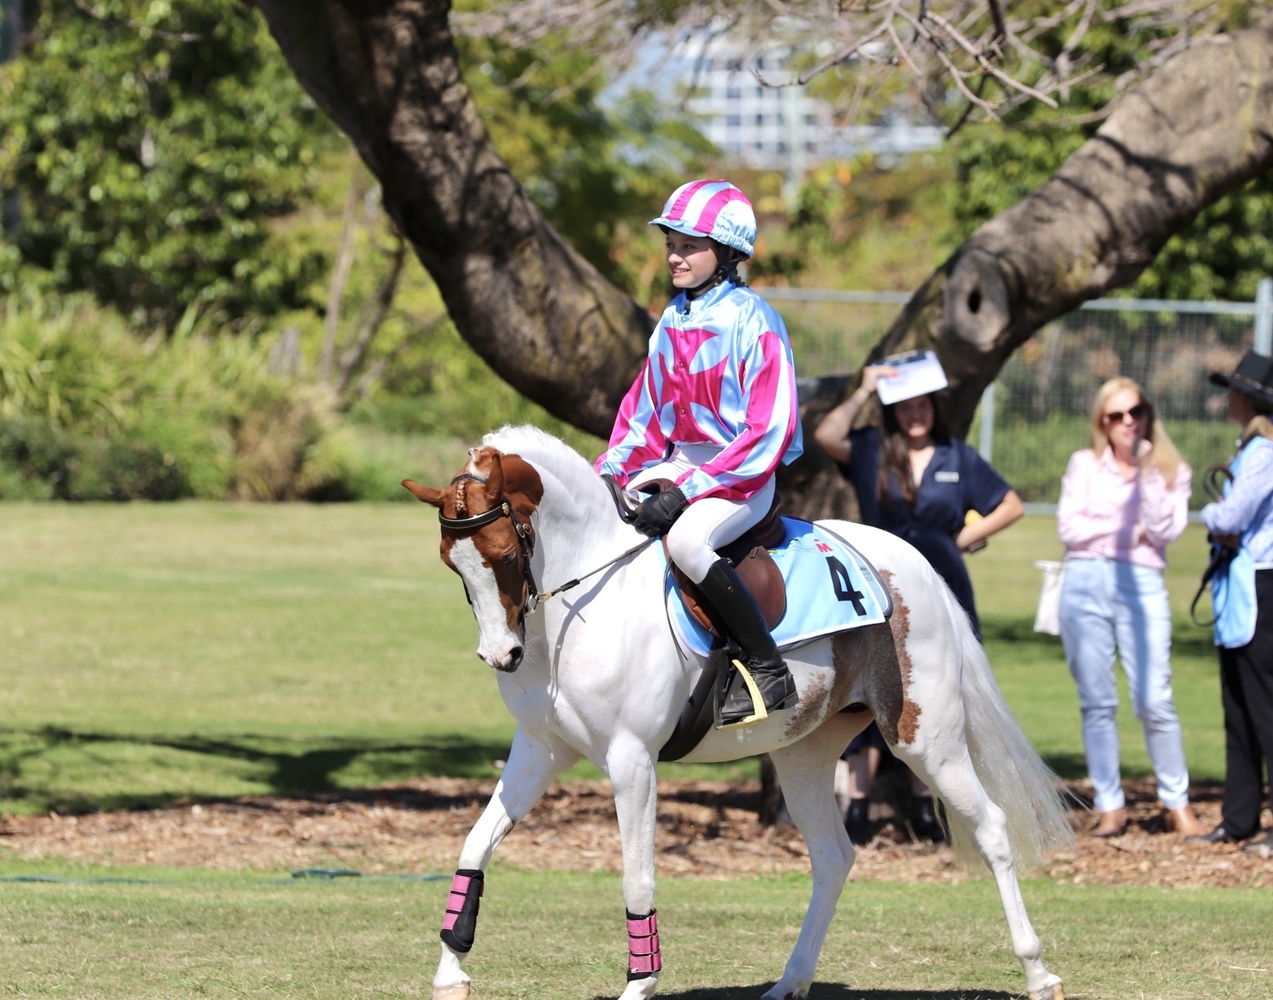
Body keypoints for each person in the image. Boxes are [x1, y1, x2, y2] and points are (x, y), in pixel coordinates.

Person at [594, 178, 804, 730]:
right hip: (681, 463)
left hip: (743, 477)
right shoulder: (672, 318)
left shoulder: (755, 319)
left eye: (690, 245)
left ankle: (767, 667)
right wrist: (608, 475)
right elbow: (642, 413)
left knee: (686, 539)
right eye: (672, 243)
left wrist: (688, 489)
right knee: (610, 519)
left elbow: (768, 429)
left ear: (727, 251)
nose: (675, 256)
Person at [814, 361, 1024, 843]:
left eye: (922, 404)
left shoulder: (958, 456)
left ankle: (927, 808)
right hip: (878, 584)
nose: (915, 414)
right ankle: (859, 806)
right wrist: (866, 386)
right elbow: (827, 434)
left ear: (934, 407)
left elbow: (1010, 504)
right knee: (865, 686)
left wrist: (965, 536)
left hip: (944, 581)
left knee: (934, 692)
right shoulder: (870, 449)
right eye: (905, 407)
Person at [1056, 377, 1206, 839]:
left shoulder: (1169, 469)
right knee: (1097, 701)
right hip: (1084, 582)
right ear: (1102, 422)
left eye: (1135, 412)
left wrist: (1145, 476)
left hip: (1141, 585)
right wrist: (1124, 532)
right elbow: (1069, 529)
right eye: (1115, 415)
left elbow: (1163, 530)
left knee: (1154, 698)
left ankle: (1176, 803)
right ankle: (1110, 806)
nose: (1127, 422)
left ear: (1148, 415)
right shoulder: (1084, 464)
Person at [1186, 350, 1273, 852]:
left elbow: (1232, 516)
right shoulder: (1249, 450)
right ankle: (1239, 818)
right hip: (1239, 587)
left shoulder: (1263, 453)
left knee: (1263, 709)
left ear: (1250, 399)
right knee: (1237, 709)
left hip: (1260, 588)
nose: (1229, 397)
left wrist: (1209, 513)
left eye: (1234, 391)